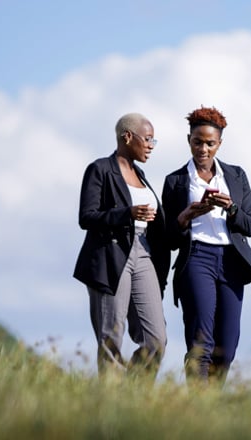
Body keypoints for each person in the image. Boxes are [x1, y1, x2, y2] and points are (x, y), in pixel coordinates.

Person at [161, 106, 251, 385]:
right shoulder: (176, 181)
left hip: (232, 262)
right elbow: (168, 238)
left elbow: (250, 226)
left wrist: (230, 208)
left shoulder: (236, 176)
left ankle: (212, 409)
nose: (203, 149)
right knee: (201, 342)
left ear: (219, 143)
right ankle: (197, 408)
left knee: (226, 349)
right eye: (197, 141)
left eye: (210, 143)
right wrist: (186, 216)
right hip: (196, 259)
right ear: (189, 140)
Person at [73, 112, 169, 379]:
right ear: (128, 136)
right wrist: (127, 214)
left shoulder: (141, 175)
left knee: (156, 339)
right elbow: (86, 217)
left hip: (144, 253)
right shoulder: (100, 169)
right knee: (111, 335)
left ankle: (137, 394)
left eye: (154, 140)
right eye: (148, 139)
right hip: (111, 255)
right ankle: (112, 400)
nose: (151, 145)